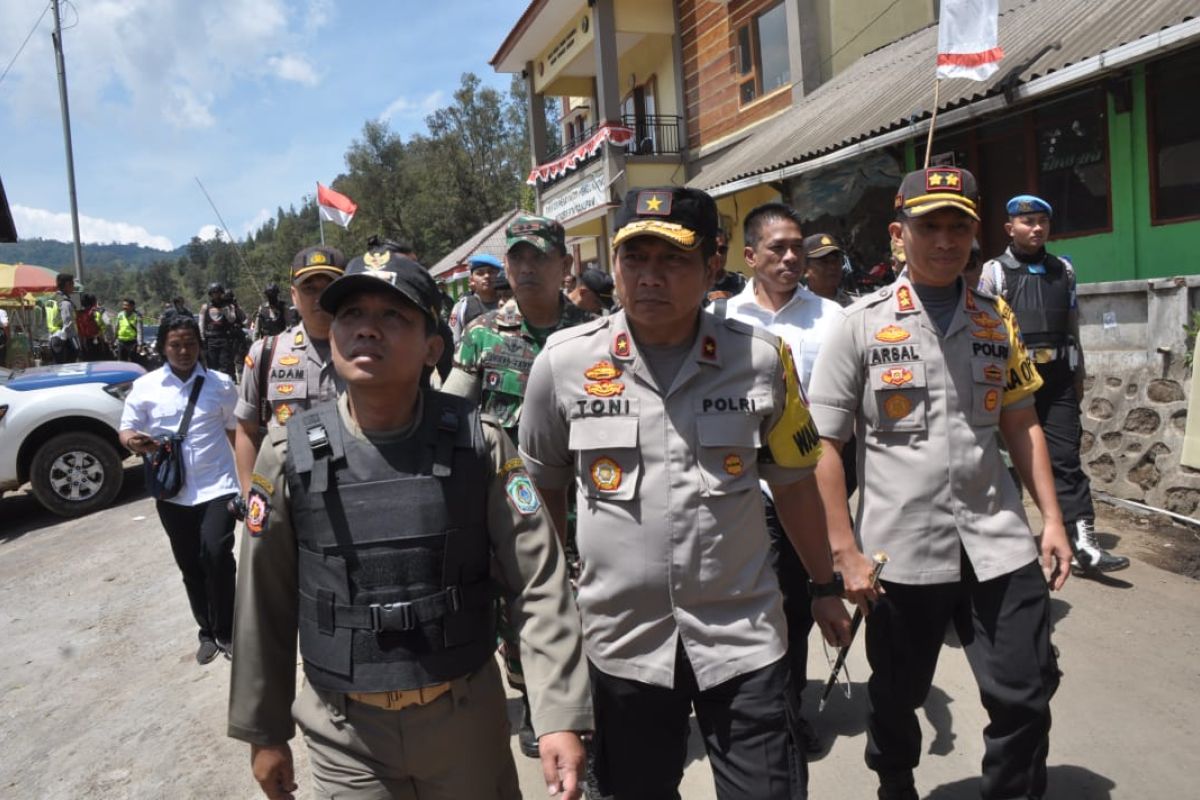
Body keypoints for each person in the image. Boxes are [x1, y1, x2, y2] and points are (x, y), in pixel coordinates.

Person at [519, 186, 853, 800]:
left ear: (711, 265)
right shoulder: (562, 365)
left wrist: (826, 586)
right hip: (621, 647)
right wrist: (546, 625)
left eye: (671, 259)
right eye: (634, 259)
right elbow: (540, 496)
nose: (649, 277)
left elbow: (796, 486)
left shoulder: (760, 360)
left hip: (743, 638)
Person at [227, 254, 592, 800]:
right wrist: (265, 732)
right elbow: (264, 601)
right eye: (351, 314)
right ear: (332, 336)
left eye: (394, 315)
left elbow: (538, 582)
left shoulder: (480, 444)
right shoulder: (288, 454)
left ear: (433, 348)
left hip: (464, 724)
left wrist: (557, 710)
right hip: (344, 734)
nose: (367, 327)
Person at [808, 167, 1073, 800]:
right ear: (901, 234)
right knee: (897, 695)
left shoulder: (993, 318)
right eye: (930, 226)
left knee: (1025, 693)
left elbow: (1021, 423)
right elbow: (824, 445)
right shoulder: (860, 324)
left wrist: (1054, 520)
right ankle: (894, 777)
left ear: (976, 233)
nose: (946, 240)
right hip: (901, 553)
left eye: (959, 226)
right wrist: (841, 553)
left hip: (996, 539)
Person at [443, 213, 593, 758]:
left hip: (588, 501)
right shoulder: (482, 338)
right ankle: (533, 698)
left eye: (539, 258)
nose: (527, 268)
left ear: (564, 265)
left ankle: (585, 705)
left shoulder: (591, 333)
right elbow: (452, 419)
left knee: (586, 604)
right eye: (518, 258)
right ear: (506, 266)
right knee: (519, 606)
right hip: (511, 507)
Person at [720, 202, 846, 757]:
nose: (792, 257)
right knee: (753, 607)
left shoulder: (833, 319)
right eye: (778, 248)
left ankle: (788, 712)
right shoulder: (722, 320)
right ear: (749, 256)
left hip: (813, 487)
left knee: (799, 604)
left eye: (798, 247)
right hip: (747, 491)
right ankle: (757, 710)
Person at [979, 194, 1129, 575]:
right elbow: (986, 329)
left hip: (1059, 378)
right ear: (1009, 228)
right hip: (1012, 384)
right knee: (1004, 464)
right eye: (1027, 221)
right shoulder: (994, 272)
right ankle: (1007, 545)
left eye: (1042, 221)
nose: (1036, 227)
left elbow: (1073, 326)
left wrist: (1080, 375)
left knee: (1065, 458)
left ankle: (1083, 543)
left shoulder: (1064, 269)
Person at [119, 313, 240, 664]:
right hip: (172, 492)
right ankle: (207, 631)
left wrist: (250, 481)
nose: (184, 350)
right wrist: (133, 441)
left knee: (217, 556)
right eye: (175, 344)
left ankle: (228, 630)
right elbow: (126, 428)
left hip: (219, 486)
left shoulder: (220, 384)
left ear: (200, 345)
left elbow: (237, 434)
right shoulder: (147, 387)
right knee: (190, 563)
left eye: (190, 343)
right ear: (163, 348)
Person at [234, 246, 346, 495]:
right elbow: (246, 430)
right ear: (294, 296)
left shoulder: (367, 350)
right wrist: (250, 493)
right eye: (309, 288)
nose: (320, 297)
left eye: (329, 287)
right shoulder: (266, 353)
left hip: (355, 485)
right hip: (287, 492)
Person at [448, 253, 502, 345]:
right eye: (480, 273)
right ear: (471, 280)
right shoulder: (462, 307)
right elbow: (454, 341)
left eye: (491, 272)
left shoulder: (511, 304)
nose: (487, 276)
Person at [200, 283, 246, 378]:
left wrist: (226, 310)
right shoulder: (205, 307)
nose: (216, 295)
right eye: (213, 293)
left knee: (225, 365)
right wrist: (202, 338)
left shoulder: (228, 306)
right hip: (210, 339)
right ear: (210, 294)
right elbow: (201, 324)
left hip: (224, 338)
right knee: (212, 366)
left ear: (221, 293)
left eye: (217, 293)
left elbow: (232, 319)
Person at [803, 233, 855, 307]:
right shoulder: (794, 309)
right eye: (824, 262)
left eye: (835, 260)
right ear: (805, 269)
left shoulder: (855, 304)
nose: (832, 266)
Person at [703, 228, 747, 303]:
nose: (718, 254)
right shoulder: (695, 283)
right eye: (713, 249)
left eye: (722, 249)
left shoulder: (740, 283)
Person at [47, 272, 80, 364]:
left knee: (58, 367)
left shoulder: (50, 300)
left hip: (53, 338)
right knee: (68, 369)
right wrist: (76, 343)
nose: (73, 286)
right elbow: (68, 323)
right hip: (65, 340)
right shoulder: (65, 302)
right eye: (72, 284)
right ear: (67, 285)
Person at [115, 298, 144, 363]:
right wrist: (113, 339)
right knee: (121, 362)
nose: (124, 307)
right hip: (121, 342)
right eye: (123, 305)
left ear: (132, 306)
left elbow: (140, 331)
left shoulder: (137, 316)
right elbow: (116, 327)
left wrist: (140, 345)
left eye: (126, 305)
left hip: (132, 343)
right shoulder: (120, 315)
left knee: (133, 362)